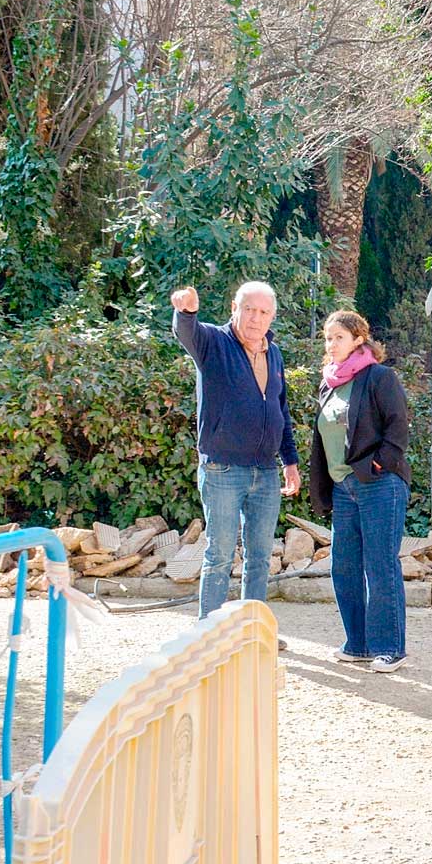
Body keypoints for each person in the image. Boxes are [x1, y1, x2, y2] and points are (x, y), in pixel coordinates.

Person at [170, 283, 300, 627]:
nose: (256, 318)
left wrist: (290, 461)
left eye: (264, 312)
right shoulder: (213, 342)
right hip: (222, 469)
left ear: (272, 316)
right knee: (219, 554)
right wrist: (186, 311)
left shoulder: (274, 352)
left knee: (259, 558)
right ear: (234, 308)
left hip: (266, 471)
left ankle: (252, 629)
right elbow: (187, 333)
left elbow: (280, 409)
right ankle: (207, 633)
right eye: (250, 309)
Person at [308, 310, 412, 673]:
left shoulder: (379, 377)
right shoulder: (329, 383)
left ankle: (390, 649)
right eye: (327, 337)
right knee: (345, 565)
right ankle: (360, 644)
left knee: (380, 565)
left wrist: (378, 465)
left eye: (338, 337)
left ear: (358, 340)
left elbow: (398, 426)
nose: (330, 344)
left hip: (379, 484)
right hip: (343, 489)